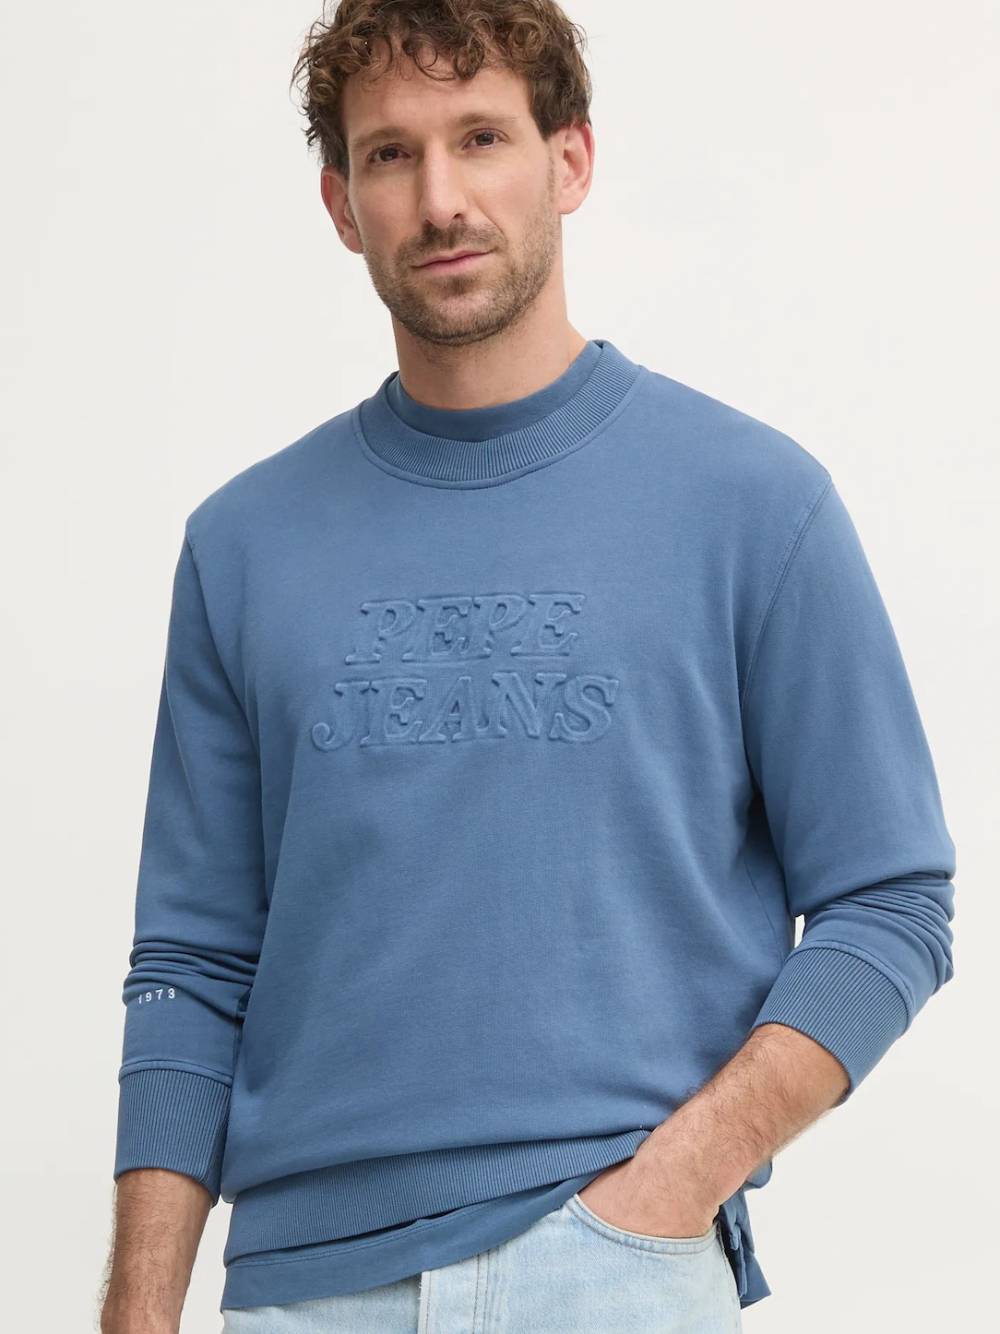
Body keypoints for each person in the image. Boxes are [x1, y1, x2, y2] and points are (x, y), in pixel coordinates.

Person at [99, 2, 958, 1331]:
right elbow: (193, 964)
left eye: (482, 138)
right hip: (303, 1288)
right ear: (340, 204)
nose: (440, 198)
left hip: (615, 1261)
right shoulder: (243, 545)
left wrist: (677, 1182)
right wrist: (139, 1308)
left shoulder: (752, 505)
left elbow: (891, 900)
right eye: (391, 155)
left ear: (571, 160)